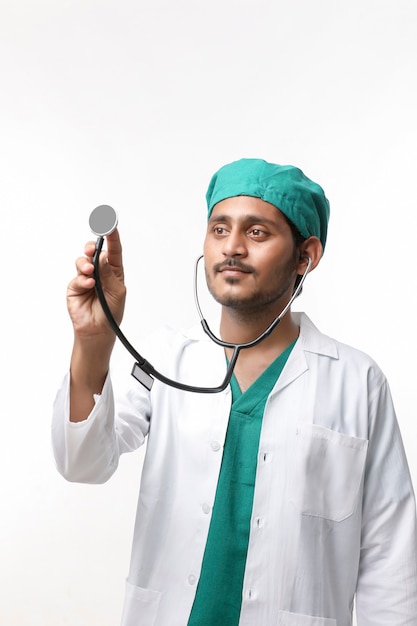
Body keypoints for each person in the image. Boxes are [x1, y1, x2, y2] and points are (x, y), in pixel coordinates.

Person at [52, 158, 417, 626]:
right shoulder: (168, 358)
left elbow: (391, 557)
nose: (234, 248)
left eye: (258, 232)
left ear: (306, 255)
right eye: (219, 229)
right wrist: (93, 341)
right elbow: (82, 462)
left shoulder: (357, 381)